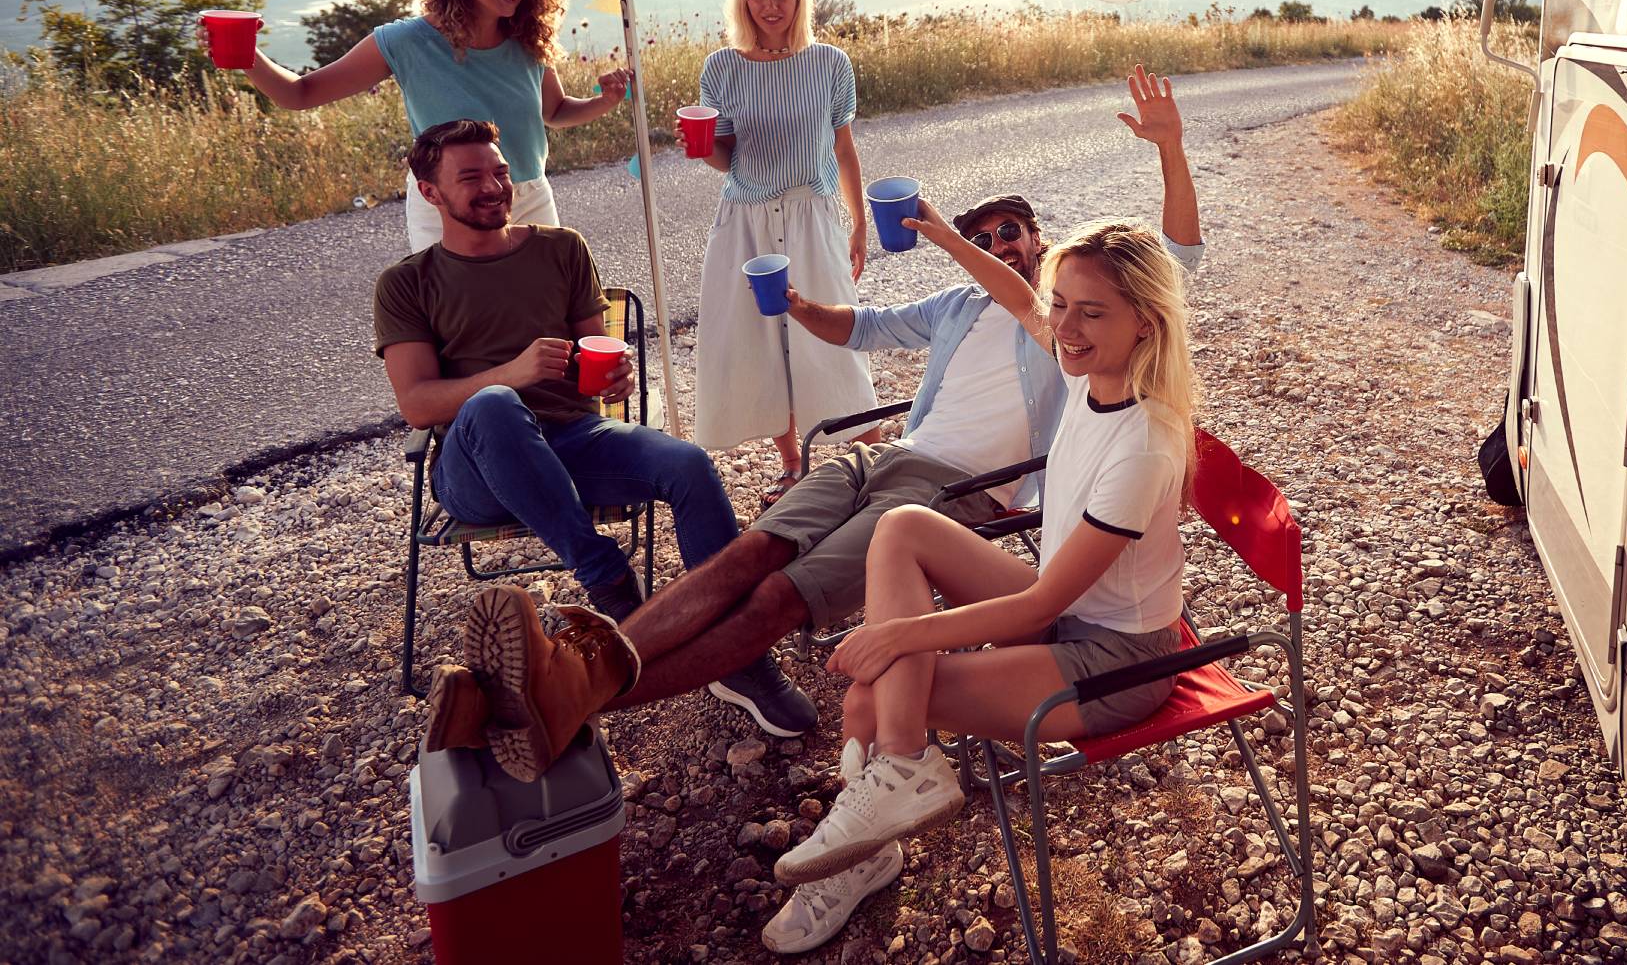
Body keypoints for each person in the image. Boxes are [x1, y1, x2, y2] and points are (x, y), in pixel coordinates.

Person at [428, 68, 1200, 767]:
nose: (1001, 246)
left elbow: (1167, 269)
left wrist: (1168, 153)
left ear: (1039, 242)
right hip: (886, 460)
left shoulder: (1076, 341)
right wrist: (801, 305)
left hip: (958, 491)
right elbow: (864, 326)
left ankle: (562, 697)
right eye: (985, 234)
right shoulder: (984, 311)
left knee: (775, 598)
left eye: (1012, 232)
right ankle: (564, 681)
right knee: (743, 558)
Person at [762, 205, 1199, 952]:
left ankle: (871, 836)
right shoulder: (1088, 373)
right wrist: (939, 229)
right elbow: (1020, 297)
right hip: (1066, 611)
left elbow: (1041, 602)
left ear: (1146, 324)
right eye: (1061, 305)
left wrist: (896, 635)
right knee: (901, 528)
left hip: (1118, 661)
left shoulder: (1145, 447)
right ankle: (902, 772)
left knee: (876, 692)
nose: (1064, 326)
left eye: (1091, 312)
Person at [383, 118, 814, 773]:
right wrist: (513, 374)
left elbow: (598, 356)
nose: (493, 186)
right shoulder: (408, 283)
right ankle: (606, 577)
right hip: (475, 463)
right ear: (429, 192)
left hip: (574, 438)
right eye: (470, 176)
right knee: (497, 405)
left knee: (690, 465)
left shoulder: (560, 248)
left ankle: (741, 661)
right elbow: (416, 402)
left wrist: (616, 376)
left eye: (498, 172)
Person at [236, 0, 630, 250]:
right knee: (460, 323)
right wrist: (244, 53)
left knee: (546, 312)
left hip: (528, 196)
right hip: (445, 205)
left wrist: (605, 100)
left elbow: (555, 111)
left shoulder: (527, 42)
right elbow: (299, 93)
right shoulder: (406, 41)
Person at [686, 0, 877, 500]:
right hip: (744, 217)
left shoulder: (830, 63)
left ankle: (866, 447)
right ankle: (793, 461)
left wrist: (858, 220)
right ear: (742, 0)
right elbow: (727, 156)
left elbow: (843, 148)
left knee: (832, 328)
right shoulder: (720, 68)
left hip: (813, 214)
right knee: (759, 336)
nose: (770, 6)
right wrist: (703, 154)